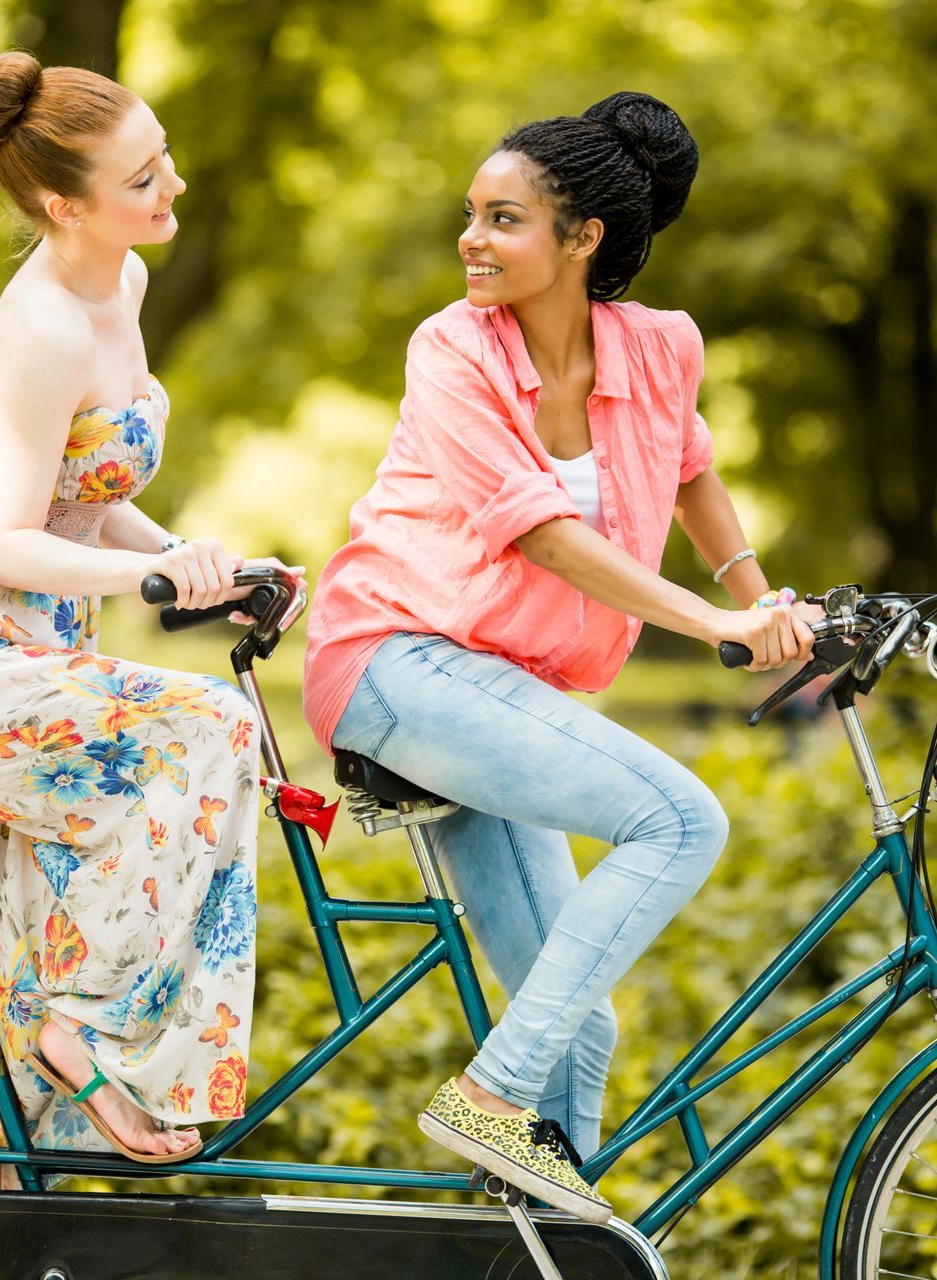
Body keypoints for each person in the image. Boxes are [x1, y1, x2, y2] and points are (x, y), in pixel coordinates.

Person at [300, 92, 814, 1223]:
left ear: (582, 239)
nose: (471, 240)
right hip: (395, 659)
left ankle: (530, 1242)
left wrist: (760, 598)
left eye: (505, 219)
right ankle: (487, 1094)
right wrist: (717, 627)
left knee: (582, 1026)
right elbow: (544, 533)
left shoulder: (660, 345)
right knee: (683, 819)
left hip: (505, 688)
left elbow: (691, 478)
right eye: (472, 215)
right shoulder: (450, 347)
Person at [0, 51, 296, 1182]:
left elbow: (93, 494)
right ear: (62, 204)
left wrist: (192, 561)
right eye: (142, 178)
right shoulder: (44, 326)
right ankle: (88, 1025)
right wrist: (150, 583)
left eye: (164, 155)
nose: (172, 186)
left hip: (15, 649)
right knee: (206, 728)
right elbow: (2, 539)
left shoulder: (117, 285)